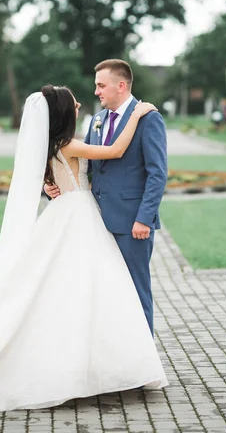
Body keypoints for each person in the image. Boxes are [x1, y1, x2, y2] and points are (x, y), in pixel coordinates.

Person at [0, 85, 168, 414]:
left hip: (65, 214)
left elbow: (61, 180)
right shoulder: (71, 145)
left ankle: (97, 365)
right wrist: (137, 114)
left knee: (74, 290)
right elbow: (117, 150)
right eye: (73, 102)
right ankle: (100, 366)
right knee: (93, 288)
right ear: (63, 112)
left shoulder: (53, 147)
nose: (79, 104)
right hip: (79, 216)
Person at [46, 59, 168, 335]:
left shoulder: (148, 118)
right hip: (95, 222)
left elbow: (157, 174)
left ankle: (142, 362)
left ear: (121, 86)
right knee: (107, 295)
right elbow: (87, 169)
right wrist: (55, 186)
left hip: (131, 224)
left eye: (101, 85)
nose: (96, 91)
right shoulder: (98, 120)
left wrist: (144, 219)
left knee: (136, 291)